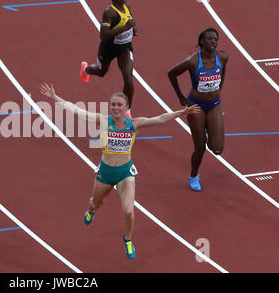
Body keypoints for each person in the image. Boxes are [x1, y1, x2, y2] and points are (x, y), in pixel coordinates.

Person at [39, 82, 200, 260]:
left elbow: (160, 119)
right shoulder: (103, 120)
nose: (115, 107)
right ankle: (91, 210)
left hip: (125, 173)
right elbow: (77, 111)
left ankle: (128, 239)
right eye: (113, 104)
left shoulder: (135, 124)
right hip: (106, 172)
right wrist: (56, 98)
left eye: (119, 104)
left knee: (128, 211)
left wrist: (182, 113)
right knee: (95, 203)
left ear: (127, 107)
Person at [167, 28, 228, 191]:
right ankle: (194, 175)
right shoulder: (192, 61)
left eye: (215, 39)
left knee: (217, 149)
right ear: (201, 41)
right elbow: (171, 74)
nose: (213, 42)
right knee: (200, 148)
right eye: (209, 39)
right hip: (196, 106)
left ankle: (208, 129)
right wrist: (180, 97)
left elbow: (223, 74)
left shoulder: (222, 57)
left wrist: (218, 90)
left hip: (214, 104)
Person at [79, 0, 138, 117]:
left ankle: (127, 111)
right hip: (109, 48)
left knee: (128, 78)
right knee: (101, 72)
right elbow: (103, 35)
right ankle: (85, 69)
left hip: (125, 48)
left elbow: (130, 20)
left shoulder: (127, 6)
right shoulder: (109, 12)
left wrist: (133, 29)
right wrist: (124, 28)